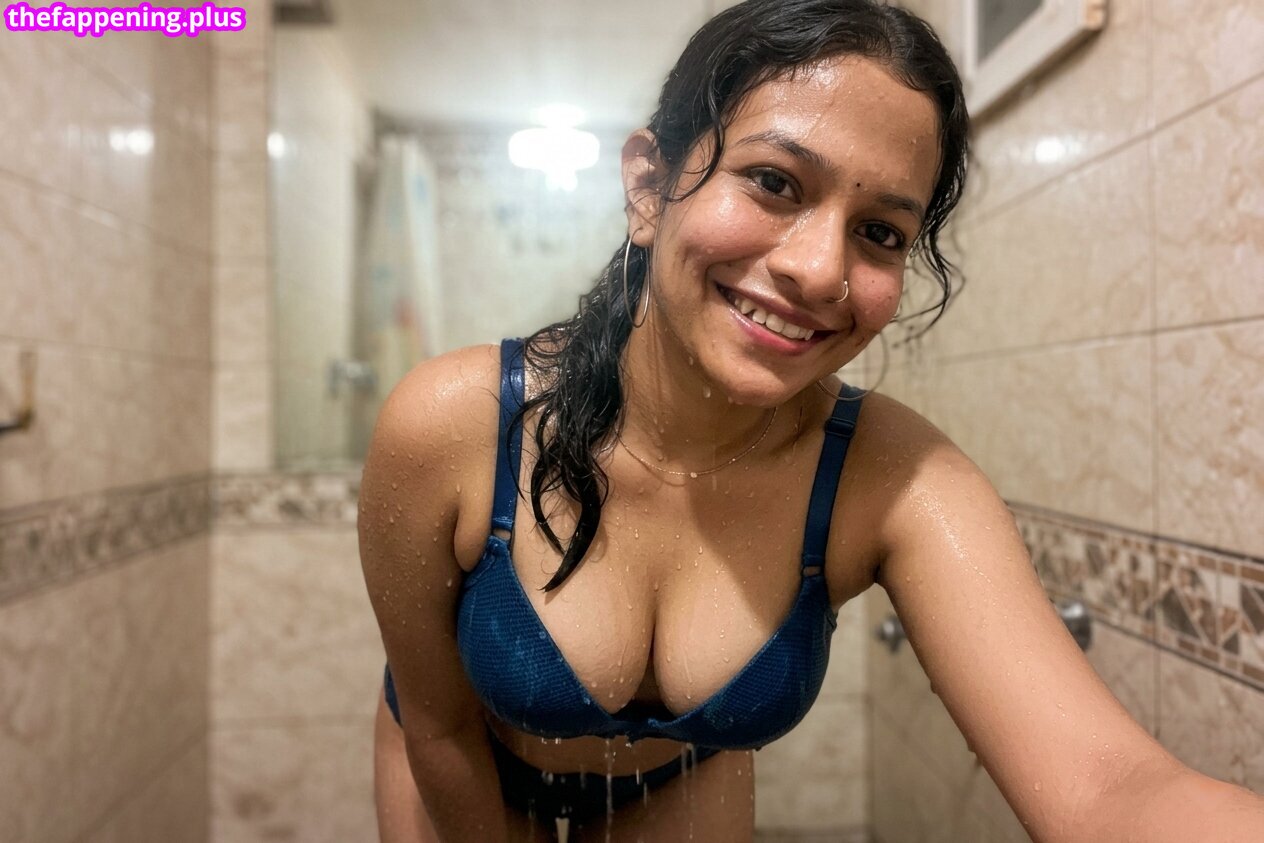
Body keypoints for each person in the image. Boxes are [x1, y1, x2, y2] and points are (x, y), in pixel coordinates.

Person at [359, 1, 1264, 840]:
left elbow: (1110, 786)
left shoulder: (889, 476)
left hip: (678, 780)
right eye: (774, 181)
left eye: (880, 232)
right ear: (647, 186)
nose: (822, 270)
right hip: (456, 760)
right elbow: (438, 725)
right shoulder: (458, 421)